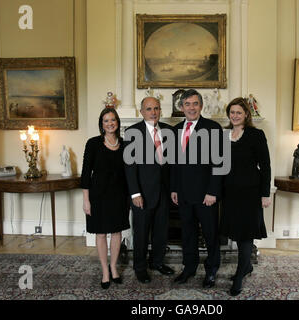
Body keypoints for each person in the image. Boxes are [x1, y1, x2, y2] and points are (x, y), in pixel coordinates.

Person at [171, 89, 223, 288]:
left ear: (201, 106)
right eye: (187, 104)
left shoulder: (213, 128)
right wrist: (174, 188)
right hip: (183, 194)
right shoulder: (176, 131)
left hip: (205, 195)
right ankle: (189, 268)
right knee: (188, 234)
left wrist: (213, 191)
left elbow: (219, 164)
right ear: (182, 107)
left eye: (195, 104)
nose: (191, 108)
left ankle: (211, 271)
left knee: (210, 234)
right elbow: (174, 163)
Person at [220, 97, 271, 296]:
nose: (234, 116)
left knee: (245, 235)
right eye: (232, 112)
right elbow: (218, 165)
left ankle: (240, 275)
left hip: (251, 192)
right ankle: (247, 266)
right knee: (235, 232)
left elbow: (265, 166)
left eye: (238, 113)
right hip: (230, 193)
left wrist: (265, 194)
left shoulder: (256, 135)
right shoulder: (223, 135)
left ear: (246, 115)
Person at [124, 97, 175, 284]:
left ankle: (157, 262)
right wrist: (135, 193)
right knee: (142, 232)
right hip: (142, 193)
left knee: (161, 230)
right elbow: (129, 166)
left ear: (160, 110)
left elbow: (172, 164)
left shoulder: (168, 131)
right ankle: (140, 267)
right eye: (149, 109)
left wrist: (173, 190)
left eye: (156, 108)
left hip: (164, 192)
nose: (153, 112)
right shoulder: (132, 132)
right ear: (141, 111)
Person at [81, 108, 130, 289]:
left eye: (113, 120)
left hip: (119, 195)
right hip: (97, 196)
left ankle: (114, 267)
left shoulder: (125, 144)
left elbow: (129, 173)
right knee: (101, 233)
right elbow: (86, 173)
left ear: (117, 122)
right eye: (106, 120)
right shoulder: (93, 143)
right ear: (101, 124)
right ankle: (105, 271)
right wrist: (86, 200)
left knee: (117, 232)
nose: (110, 123)